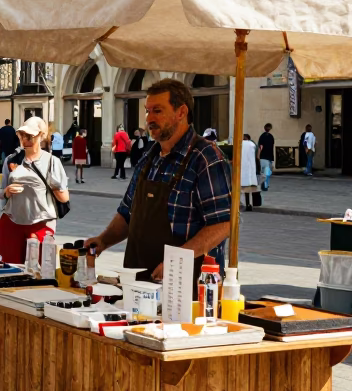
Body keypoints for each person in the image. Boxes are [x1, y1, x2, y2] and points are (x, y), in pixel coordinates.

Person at [85, 79, 233, 288]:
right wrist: (103, 240)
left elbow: (223, 224)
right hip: (139, 281)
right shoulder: (149, 158)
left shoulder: (205, 158)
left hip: (186, 285)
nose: (149, 119)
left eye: (157, 111)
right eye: (147, 111)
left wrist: (178, 259)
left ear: (181, 112)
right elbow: (127, 213)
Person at [0, 117, 70, 264]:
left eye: (30, 136)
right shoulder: (12, 160)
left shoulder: (52, 162)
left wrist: (54, 185)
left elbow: (64, 198)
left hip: (41, 223)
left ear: (41, 136)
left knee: (41, 271)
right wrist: (6, 192)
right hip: (12, 222)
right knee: (10, 270)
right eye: (22, 135)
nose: (25, 139)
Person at [240, 133, 260, 211]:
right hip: (250, 171)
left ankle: (242, 204)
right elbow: (257, 157)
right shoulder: (252, 145)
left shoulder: (240, 144)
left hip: (241, 171)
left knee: (242, 190)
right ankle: (249, 204)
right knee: (248, 191)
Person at [257, 123, 276, 191]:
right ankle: (266, 185)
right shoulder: (271, 137)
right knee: (267, 173)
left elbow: (260, 147)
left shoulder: (262, 136)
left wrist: (258, 155)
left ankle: (262, 184)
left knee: (262, 172)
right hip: (269, 157)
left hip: (262, 157)